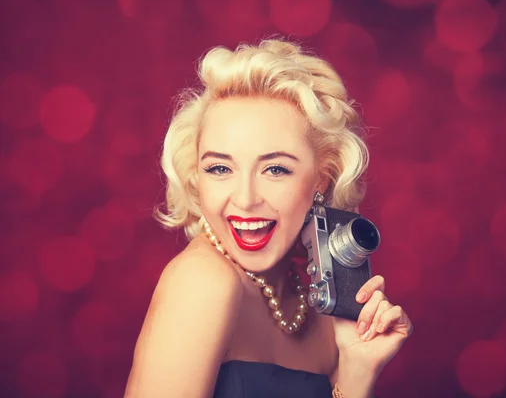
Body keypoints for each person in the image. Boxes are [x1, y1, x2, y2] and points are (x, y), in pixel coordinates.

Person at [125, 38, 413, 398]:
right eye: (219, 168)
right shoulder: (203, 281)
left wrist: (356, 371)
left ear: (321, 178)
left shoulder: (319, 297)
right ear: (196, 176)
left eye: (275, 169)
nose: (245, 200)